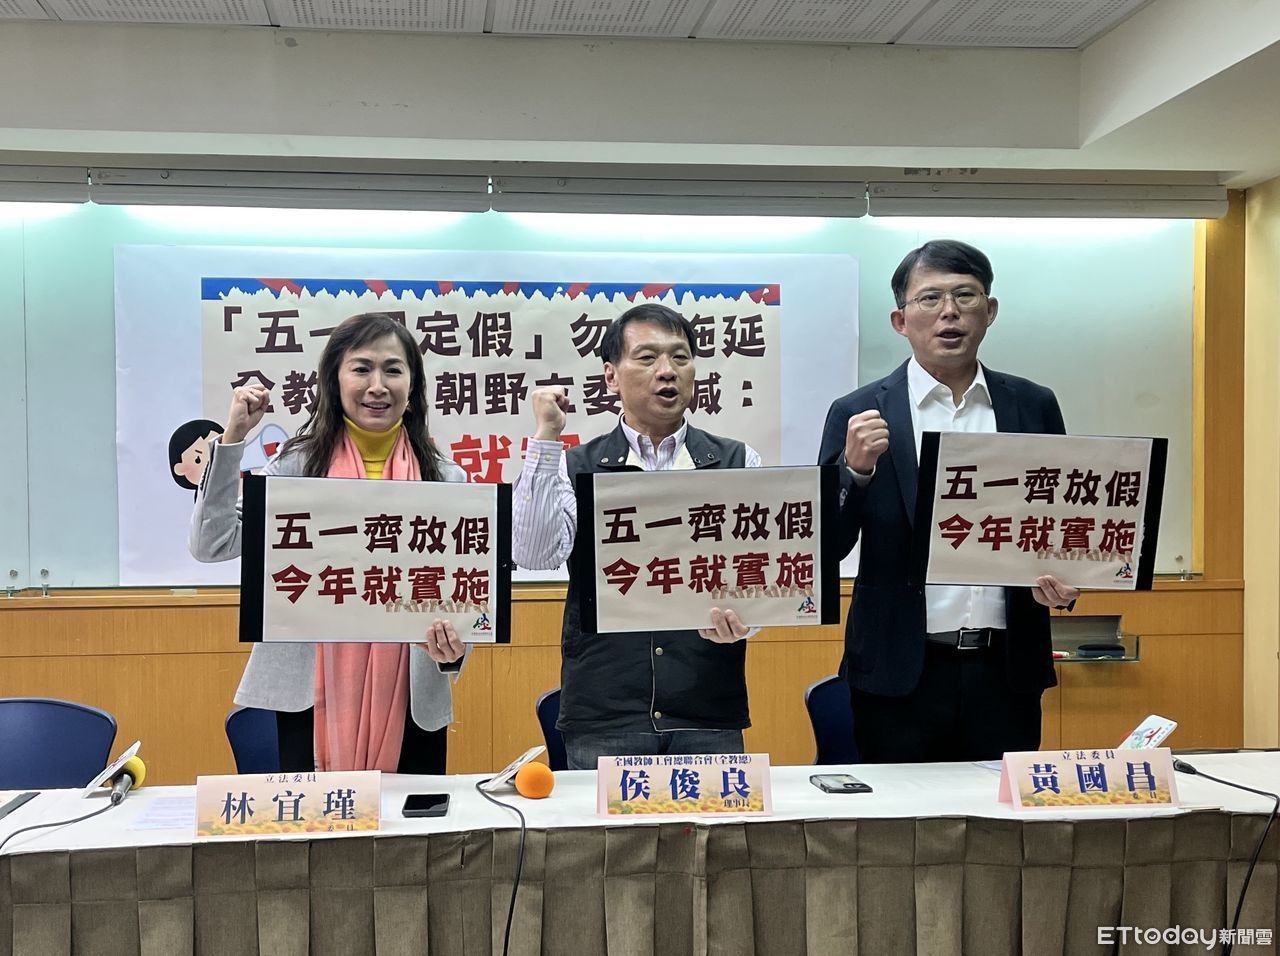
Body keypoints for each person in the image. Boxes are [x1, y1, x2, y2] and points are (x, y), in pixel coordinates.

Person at [817, 240, 1079, 762]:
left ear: (990, 310)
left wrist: (1067, 581)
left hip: (1006, 671)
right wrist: (856, 471)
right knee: (900, 813)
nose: (950, 312)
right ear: (900, 320)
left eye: (965, 295)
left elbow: (1061, 519)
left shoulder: (1032, 404)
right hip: (899, 672)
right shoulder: (859, 411)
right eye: (930, 298)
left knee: (1002, 813)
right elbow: (824, 544)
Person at [190, 312, 469, 774]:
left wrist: (455, 649)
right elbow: (212, 542)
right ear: (334, 381)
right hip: (309, 694)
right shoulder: (296, 468)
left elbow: (463, 594)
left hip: (412, 701)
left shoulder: (445, 479)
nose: (377, 385)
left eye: (393, 370)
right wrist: (233, 438)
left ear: (413, 385)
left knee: (412, 822)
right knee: (321, 818)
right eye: (361, 368)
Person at [514, 304, 761, 770]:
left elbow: (761, 574)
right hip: (606, 714)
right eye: (647, 358)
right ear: (611, 376)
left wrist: (749, 621)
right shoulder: (575, 465)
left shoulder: (736, 462)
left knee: (713, 822)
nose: (667, 371)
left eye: (680, 357)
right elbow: (534, 554)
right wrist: (546, 439)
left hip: (706, 708)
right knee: (606, 824)